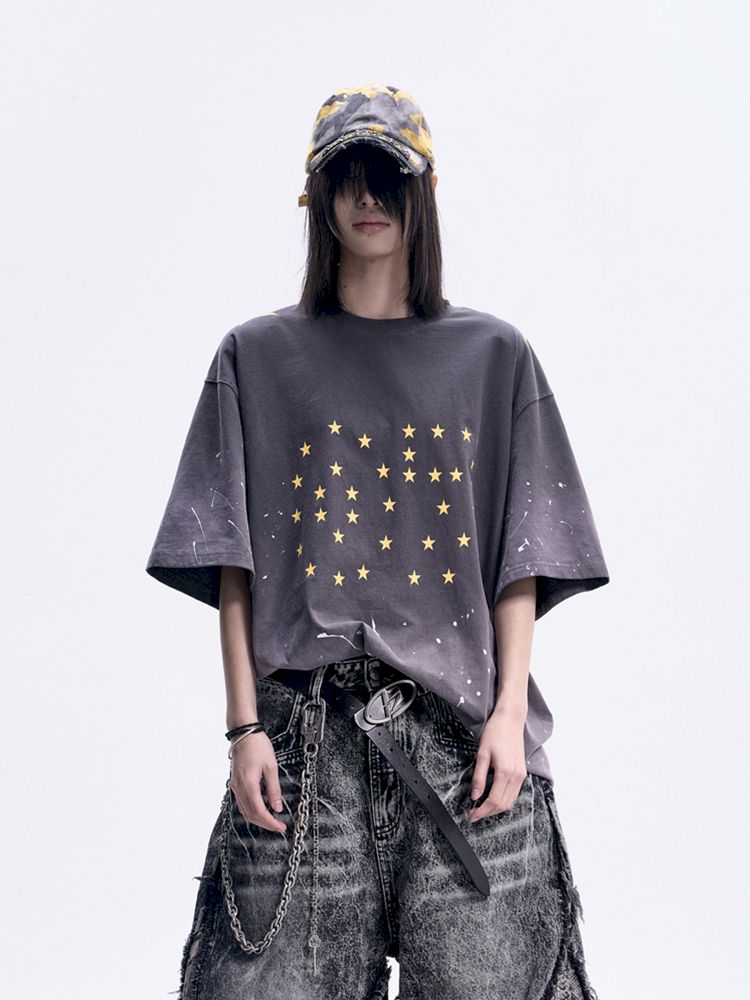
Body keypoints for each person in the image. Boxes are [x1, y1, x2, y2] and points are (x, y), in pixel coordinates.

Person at [146, 83, 609, 1000]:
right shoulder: (254, 357)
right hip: (303, 744)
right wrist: (243, 728)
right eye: (346, 176)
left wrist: (508, 717)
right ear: (316, 196)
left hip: (464, 746)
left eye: (389, 176)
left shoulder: (496, 356)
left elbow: (521, 557)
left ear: (424, 192)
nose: (367, 197)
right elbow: (233, 563)